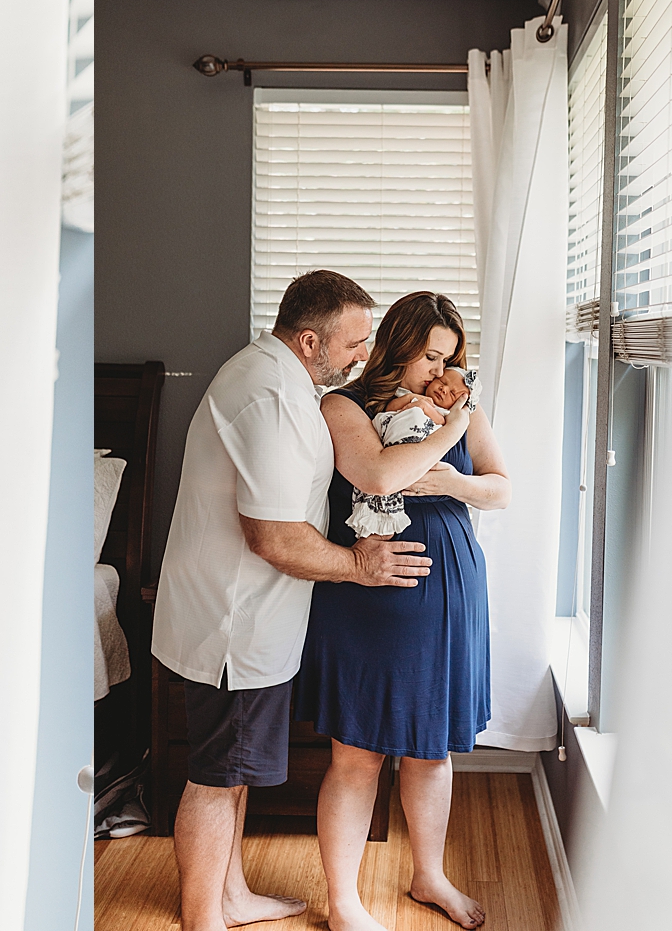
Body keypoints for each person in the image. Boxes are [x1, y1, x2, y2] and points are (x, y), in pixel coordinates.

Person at [150, 269, 435, 931]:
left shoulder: (272, 374)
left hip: (245, 617)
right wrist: (359, 567)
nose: (363, 355)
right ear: (310, 340)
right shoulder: (273, 395)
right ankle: (203, 920)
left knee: (233, 770)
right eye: (354, 343)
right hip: (234, 622)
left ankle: (231, 896)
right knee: (216, 777)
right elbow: (273, 537)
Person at [297, 291, 510, 931]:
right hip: (370, 594)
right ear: (397, 342)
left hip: (448, 588)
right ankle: (342, 903)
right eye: (426, 355)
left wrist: (454, 481)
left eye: (447, 358)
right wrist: (449, 429)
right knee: (356, 753)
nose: (437, 372)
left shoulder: (459, 408)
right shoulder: (344, 405)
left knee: (431, 749)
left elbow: (501, 489)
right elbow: (379, 477)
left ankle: (429, 876)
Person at [343, 367, 478, 538]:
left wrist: (426, 409)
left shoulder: (453, 416)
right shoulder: (405, 396)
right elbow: (390, 409)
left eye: (452, 394)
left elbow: (501, 494)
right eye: (443, 382)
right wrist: (411, 400)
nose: (444, 389)